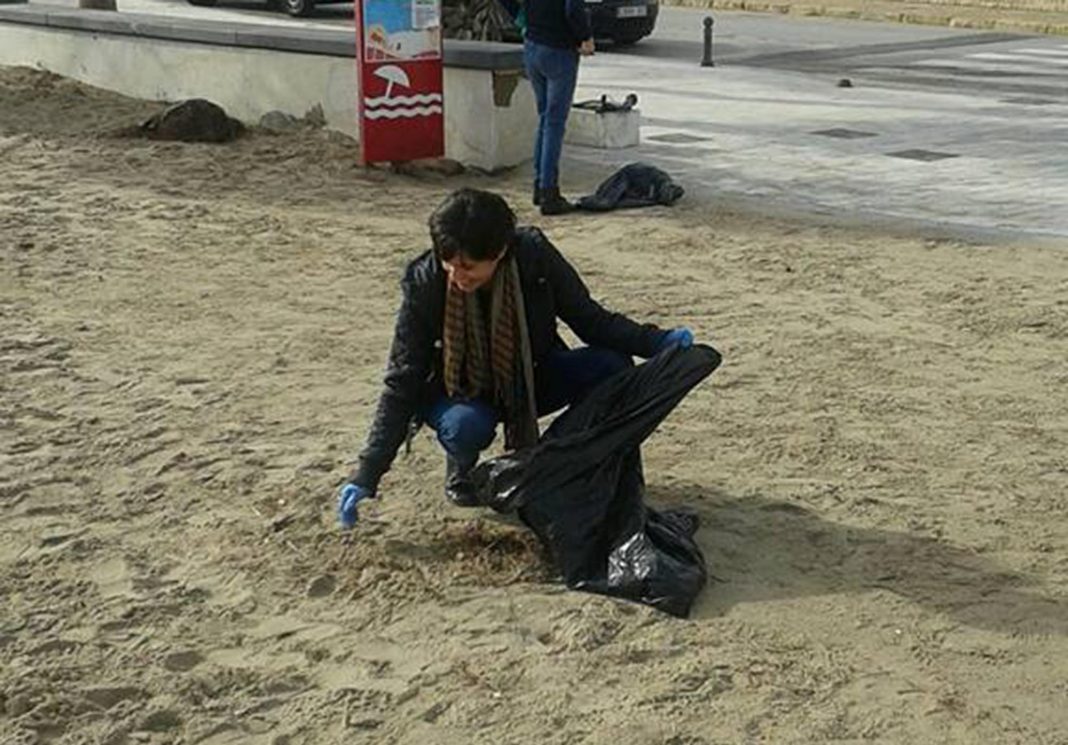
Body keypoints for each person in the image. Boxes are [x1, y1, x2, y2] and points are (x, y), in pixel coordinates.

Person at [337, 189, 694, 527]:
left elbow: (590, 320)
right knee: (465, 428)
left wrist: (657, 341)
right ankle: (461, 468)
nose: (457, 277)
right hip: (460, 393)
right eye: (449, 264)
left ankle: (553, 461)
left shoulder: (534, 256)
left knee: (612, 366)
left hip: (529, 376)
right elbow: (403, 378)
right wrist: (368, 473)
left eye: (469, 266)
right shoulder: (424, 282)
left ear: (500, 251)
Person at [497, 0, 595, 216]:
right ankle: (549, 192)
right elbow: (573, 8)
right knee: (554, 123)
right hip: (559, 50)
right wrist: (585, 37)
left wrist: (522, 20)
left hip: (532, 45)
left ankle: (540, 185)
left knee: (545, 119)